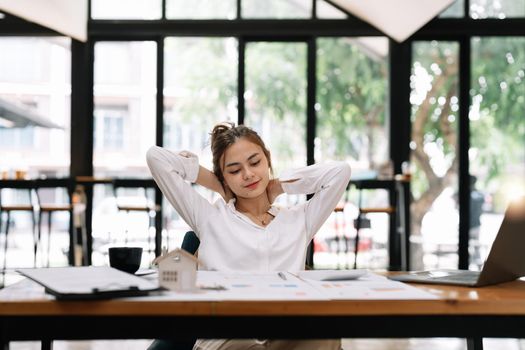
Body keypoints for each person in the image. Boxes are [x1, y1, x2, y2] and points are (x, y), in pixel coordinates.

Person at [146, 122, 351, 350]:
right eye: (234, 170)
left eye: (255, 162)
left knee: (327, 334)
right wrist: (215, 183)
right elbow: (156, 158)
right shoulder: (209, 217)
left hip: (286, 330)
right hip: (227, 336)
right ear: (224, 176)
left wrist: (278, 186)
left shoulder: (300, 219)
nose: (248, 174)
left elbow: (340, 172)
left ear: (268, 160)